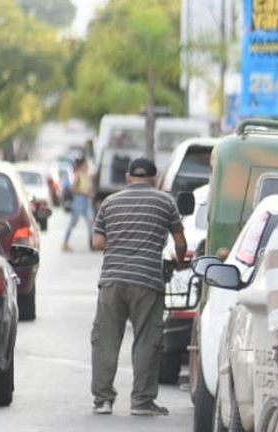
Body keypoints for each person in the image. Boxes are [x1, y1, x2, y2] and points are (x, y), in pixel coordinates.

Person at [89, 157, 187, 416]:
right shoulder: (166, 202)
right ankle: (142, 402)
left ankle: (103, 400)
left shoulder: (110, 202)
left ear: (128, 178)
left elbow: (98, 242)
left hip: (112, 281)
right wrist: (177, 262)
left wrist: (120, 249)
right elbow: (180, 241)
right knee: (147, 340)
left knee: (106, 340)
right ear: (155, 178)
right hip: (147, 280)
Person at [61, 156, 94, 252]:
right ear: (82, 165)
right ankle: (65, 243)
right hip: (79, 201)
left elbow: (89, 188)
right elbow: (74, 189)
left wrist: (90, 193)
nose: (87, 166)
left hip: (87, 201)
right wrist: (85, 193)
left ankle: (92, 244)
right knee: (73, 223)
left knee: (91, 222)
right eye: (86, 165)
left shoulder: (87, 175)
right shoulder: (78, 175)